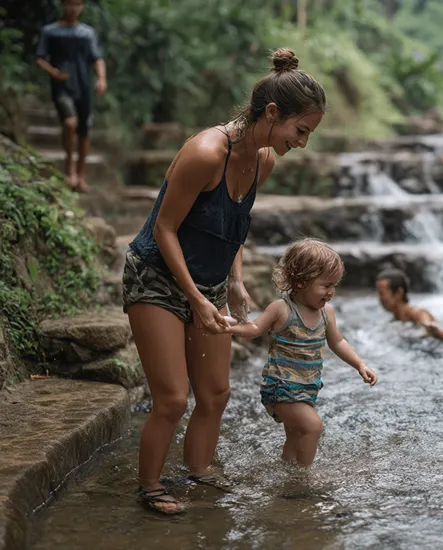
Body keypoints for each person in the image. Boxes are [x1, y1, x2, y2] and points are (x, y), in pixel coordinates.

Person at [121, 48, 326, 514]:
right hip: (156, 276)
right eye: (301, 130)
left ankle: (200, 472)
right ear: (272, 113)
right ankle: (149, 487)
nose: (304, 143)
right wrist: (194, 297)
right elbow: (164, 229)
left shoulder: (263, 161)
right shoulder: (206, 152)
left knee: (216, 393)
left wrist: (233, 282)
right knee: (173, 398)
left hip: (210, 282)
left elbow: (235, 225)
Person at [226, 239, 378, 467]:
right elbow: (255, 329)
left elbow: (338, 342)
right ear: (300, 282)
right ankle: (305, 476)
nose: (331, 292)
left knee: (296, 436)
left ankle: (287, 473)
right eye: (326, 285)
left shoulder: (327, 312)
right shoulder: (282, 309)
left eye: (334, 285)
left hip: (307, 387)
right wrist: (228, 327)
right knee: (313, 427)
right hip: (281, 387)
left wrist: (359, 364)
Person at [35, 0, 107, 193]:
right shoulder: (51, 31)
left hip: (83, 88)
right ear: (63, 5)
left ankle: (81, 176)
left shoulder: (87, 33)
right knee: (69, 123)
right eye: (69, 4)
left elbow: (97, 58)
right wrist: (53, 72)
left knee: (83, 131)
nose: (73, 8)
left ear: (82, 7)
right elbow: (39, 58)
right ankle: (70, 170)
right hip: (62, 87)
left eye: (77, 4)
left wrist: (101, 78)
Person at [375, 268, 443, 341]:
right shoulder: (395, 321)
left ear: (399, 293)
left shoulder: (417, 313)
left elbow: (430, 324)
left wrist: (433, 327)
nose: (379, 298)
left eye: (381, 293)